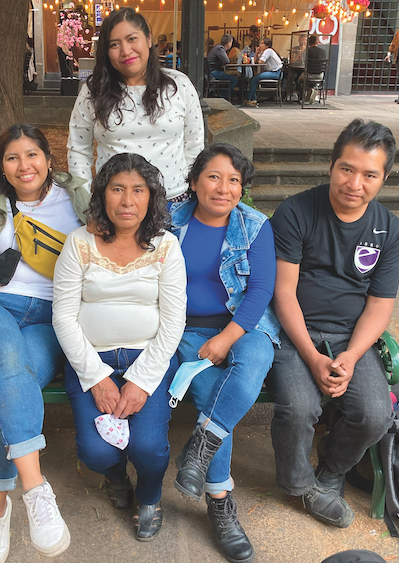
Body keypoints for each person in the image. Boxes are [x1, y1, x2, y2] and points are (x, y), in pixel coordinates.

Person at [0, 124, 89, 561]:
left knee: (11, 378)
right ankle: (36, 490)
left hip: (52, 317)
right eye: (12, 157)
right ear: (3, 166)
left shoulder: (80, 200)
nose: (23, 165)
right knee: (9, 356)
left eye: (32, 154)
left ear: (49, 160)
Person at [267, 119, 399, 529]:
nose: (354, 183)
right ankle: (299, 486)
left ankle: (330, 471)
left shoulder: (390, 230)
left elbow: (380, 305)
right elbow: (284, 293)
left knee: (375, 414)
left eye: (369, 175)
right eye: (347, 168)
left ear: (383, 178)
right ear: (331, 165)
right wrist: (311, 357)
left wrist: (350, 355)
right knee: (298, 408)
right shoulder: (295, 212)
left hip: (351, 336)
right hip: (297, 333)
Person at [53, 154, 186, 542]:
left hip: (149, 359)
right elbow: (63, 316)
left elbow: (173, 321)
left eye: (138, 190)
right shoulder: (79, 244)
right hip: (91, 360)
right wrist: (96, 378)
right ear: (102, 195)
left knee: (149, 449)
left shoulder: (166, 247)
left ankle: (149, 497)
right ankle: (114, 478)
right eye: (117, 189)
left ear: (151, 198)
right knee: (97, 453)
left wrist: (141, 382)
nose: (127, 201)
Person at [169, 143, 278, 563]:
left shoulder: (254, 225)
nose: (223, 188)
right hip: (185, 328)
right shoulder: (168, 222)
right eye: (213, 177)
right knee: (213, 393)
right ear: (195, 182)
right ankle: (219, 499)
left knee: (249, 368)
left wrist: (227, 338)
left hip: (243, 323)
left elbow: (260, 292)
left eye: (234, 180)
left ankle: (198, 450)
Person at [67, 7, 203, 203]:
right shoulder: (93, 91)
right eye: (114, 44)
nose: (125, 51)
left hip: (174, 202)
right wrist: (86, 202)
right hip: (116, 207)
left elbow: (194, 145)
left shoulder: (178, 85)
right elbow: (79, 149)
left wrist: (190, 194)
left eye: (132, 39)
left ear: (148, 39)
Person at [245, 37, 283, 106]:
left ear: (267, 46)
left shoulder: (268, 51)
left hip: (275, 72)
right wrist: (256, 52)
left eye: (262, 43)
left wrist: (258, 55)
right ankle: (253, 100)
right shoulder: (264, 52)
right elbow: (256, 61)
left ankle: (249, 99)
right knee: (253, 79)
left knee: (254, 79)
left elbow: (260, 62)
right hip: (273, 72)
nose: (260, 45)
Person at [207, 34, 237, 101]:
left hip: (212, 71)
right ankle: (224, 97)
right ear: (229, 43)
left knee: (231, 77)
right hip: (213, 73)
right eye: (231, 42)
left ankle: (223, 95)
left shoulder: (217, 47)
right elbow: (226, 60)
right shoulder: (220, 49)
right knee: (234, 79)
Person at [299, 36, 328, 105]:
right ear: (317, 42)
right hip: (320, 76)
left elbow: (302, 62)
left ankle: (302, 97)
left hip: (308, 75)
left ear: (308, 43)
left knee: (299, 80)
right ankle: (313, 89)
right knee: (310, 78)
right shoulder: (323, 51)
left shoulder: (306, 51)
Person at [287, 34, 308, 101]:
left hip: (304, 69)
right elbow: (292, 60)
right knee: (291, 75)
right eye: (303, 39)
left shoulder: (308, 50)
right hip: (295, 67)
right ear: (299, 39)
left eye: (306, 40)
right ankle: (287, 93)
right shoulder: (295, 48)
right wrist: (300, 52)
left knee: (302, 78)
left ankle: (301, 96)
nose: (304, 41)